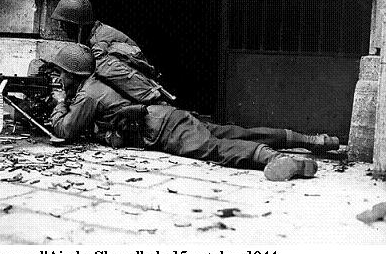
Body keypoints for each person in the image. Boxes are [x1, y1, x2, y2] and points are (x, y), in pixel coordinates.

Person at [48, 43, 340, 182]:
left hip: (163, 129)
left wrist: (59, 101)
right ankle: (314, 141)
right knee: (235, 132)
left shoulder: (88, 94)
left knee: (215, 148)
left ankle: (276, 159)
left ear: (72, 74)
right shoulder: (98, 83)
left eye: (61, 73)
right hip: (167, 116)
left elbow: (64, 131)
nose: (59, 78)